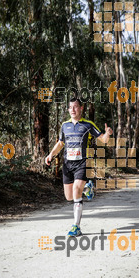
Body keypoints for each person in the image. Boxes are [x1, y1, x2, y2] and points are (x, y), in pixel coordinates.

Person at [45, 98, 113, 237]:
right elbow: (60, 143)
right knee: (69, 197)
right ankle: (87, 187)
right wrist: (50, 154)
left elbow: (103, 140)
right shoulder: (65, 125)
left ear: (81, 108)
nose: (73, 109)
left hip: (83, 163)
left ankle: (76, 226)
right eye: (71, 107)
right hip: (68, 164)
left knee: (76, 191)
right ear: (68, 109)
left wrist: (108, 134)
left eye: (76, 107)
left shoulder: (88, 125)